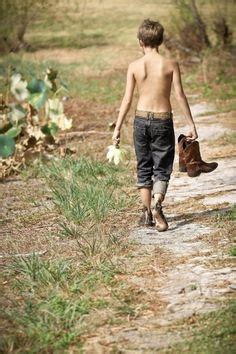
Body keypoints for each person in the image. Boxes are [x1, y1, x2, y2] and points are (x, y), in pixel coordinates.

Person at [112, 18, 198, 231]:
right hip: (162, 120)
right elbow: (179, 95)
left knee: (143, 167)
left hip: (141, 120)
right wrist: (191, 124)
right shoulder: (170, 64)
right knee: (162, 167)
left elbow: (127, 99)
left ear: (140, 41)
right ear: (160, 41)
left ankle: (147, 214)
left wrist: (117, 129)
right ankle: (157, 203)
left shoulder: (134, 66)